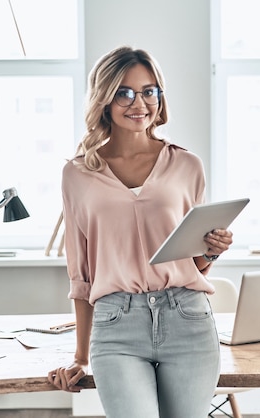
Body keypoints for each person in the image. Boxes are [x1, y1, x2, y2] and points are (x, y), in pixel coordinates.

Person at [47, 46, 233, 418]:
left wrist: (211, 250)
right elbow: (81, 276)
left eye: (149, 91)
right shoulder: (78, 173)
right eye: (124, 92)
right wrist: (80, 357)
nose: (139, 103)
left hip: (188, 320)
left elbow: (190, 262)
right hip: (117, 326)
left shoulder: (187, 165)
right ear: (104, 98)